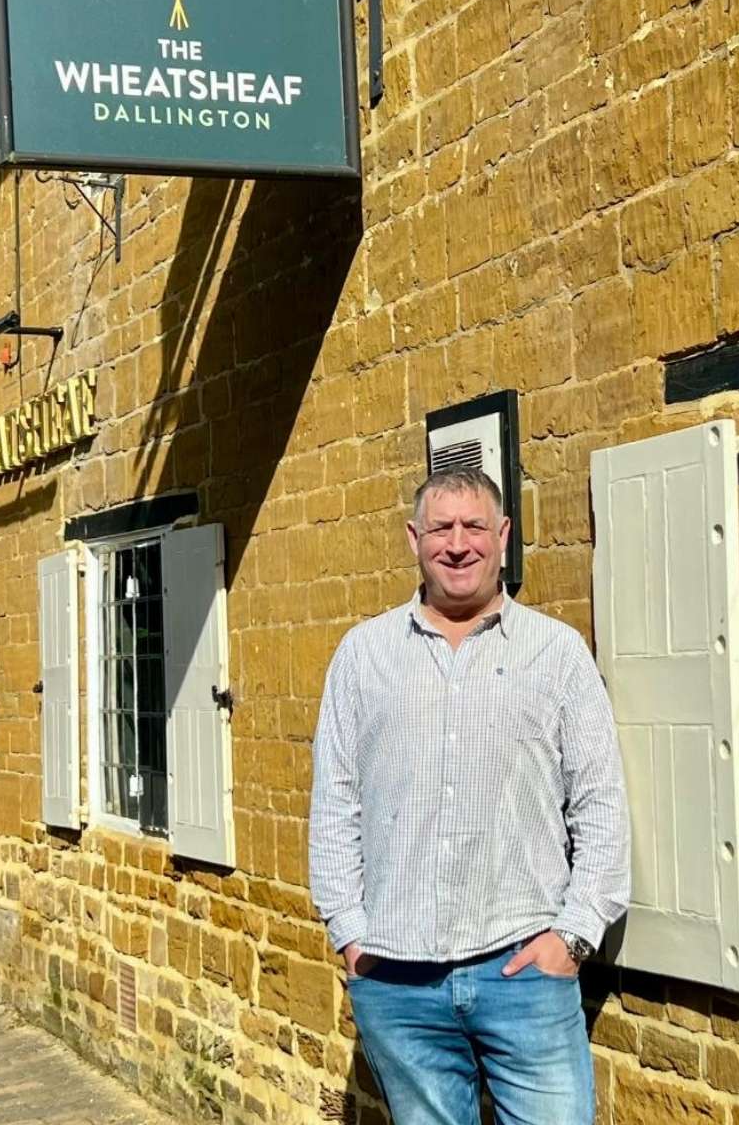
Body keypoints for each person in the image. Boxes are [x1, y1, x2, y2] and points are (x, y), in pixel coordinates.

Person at [309, 470, 629, 1125]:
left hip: (525, 973)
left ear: (503, 536)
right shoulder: (363, 656)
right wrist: (351, 936)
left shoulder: (555, 653)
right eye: (441, 528)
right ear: (414, 539)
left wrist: (572, 939)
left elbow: (599, 801)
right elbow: (335, 802)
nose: (458, 545)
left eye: (475, 526)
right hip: (397, 979)